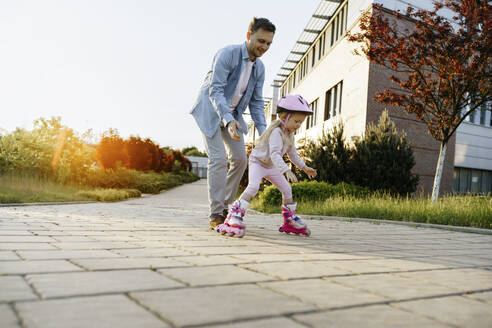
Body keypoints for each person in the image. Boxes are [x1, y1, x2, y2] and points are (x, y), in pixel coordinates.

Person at [190, 17, 275, 229]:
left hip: (233, 115)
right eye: (261, 41)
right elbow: (215, 90)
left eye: (268, 43)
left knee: (240, 159)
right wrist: (227, 120)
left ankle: (225, 206)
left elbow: (256, 103)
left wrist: (265, 133)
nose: (264, 47)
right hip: (210, 111)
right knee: (218, 159)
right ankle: (215, 213)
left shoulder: (260, 68)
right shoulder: (227, 54)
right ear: (249, 36)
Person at [216, 94, 317, 237]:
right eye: (296, 121)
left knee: (287, 189)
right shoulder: (276, 132)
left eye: (301, 122)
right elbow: (275, 154)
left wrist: (305, 168)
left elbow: (293, 154)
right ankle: (234, 215)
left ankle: (289, 220)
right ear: (284, 118)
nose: (298, 125)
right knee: (253, 187)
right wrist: (286, 170)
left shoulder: (290, 135)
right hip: (258, 162)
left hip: (270, 166)